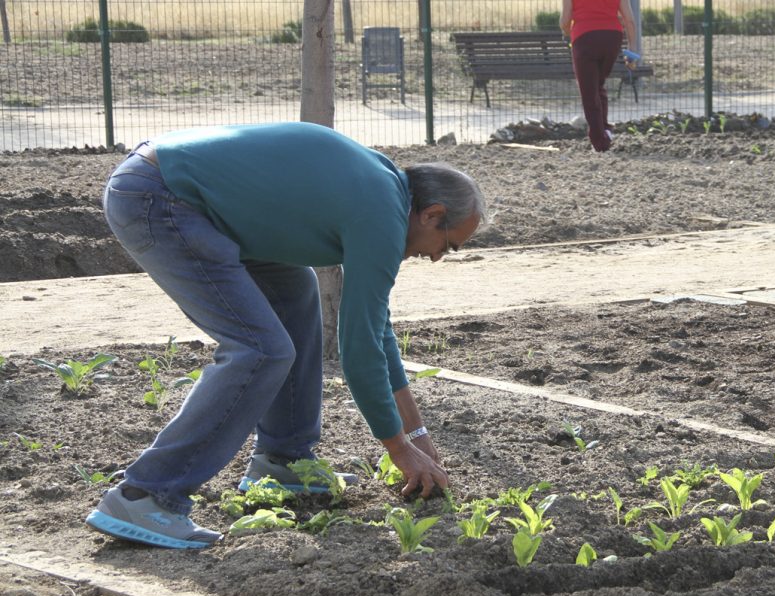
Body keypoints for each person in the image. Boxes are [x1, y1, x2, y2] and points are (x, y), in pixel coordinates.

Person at [85, 122, 490, 549]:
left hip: (185, 196)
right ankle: (145, 493)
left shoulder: (384, 192)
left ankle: (284, 461)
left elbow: (376, 330)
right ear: (431, 214)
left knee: (297, 294)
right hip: (164, 197)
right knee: (260, 349)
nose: (437, 257)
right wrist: (399, 448)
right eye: (448, 244)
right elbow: (359, 347)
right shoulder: (382, 214)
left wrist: (418, 434)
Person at [560, 0, 639, 152]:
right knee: (598, 84)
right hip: (612, 37)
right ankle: (605, 130)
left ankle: (599, 142)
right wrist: (632, 48)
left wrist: (568, 33)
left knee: (589, 92)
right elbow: (629, 20)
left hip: (584, 38)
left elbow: (564, 21)